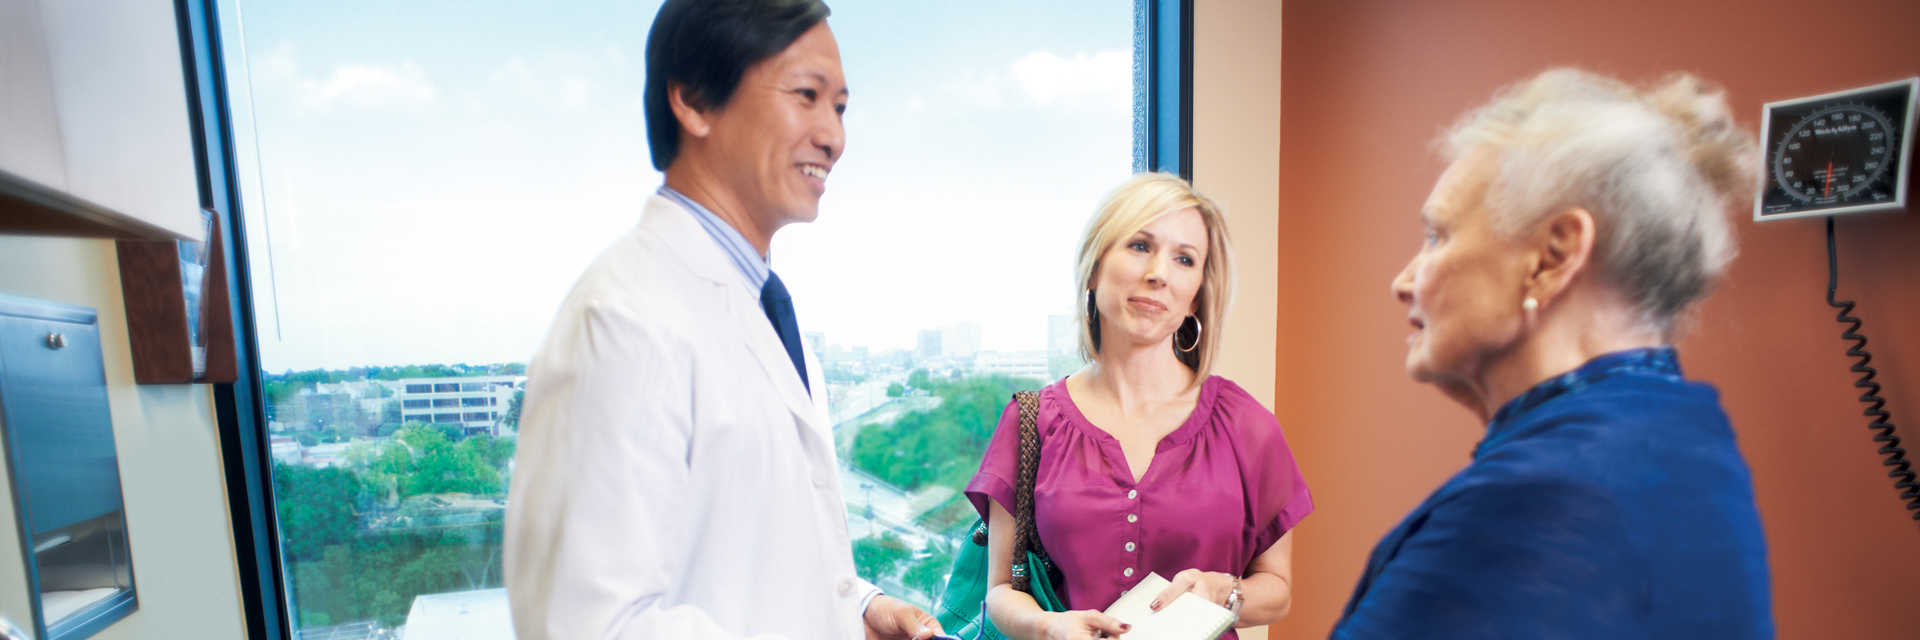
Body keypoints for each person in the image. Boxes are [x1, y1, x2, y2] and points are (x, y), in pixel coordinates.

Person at [502, 1, 940, 638]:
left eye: (840, 107)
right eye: (806, 95)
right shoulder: (623, 320)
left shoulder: (761, 308)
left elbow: (744, 556)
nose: (834, 138)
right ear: (695, 97)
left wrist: (856, 609)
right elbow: (591, 625)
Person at [1332, 68, 1771, 638]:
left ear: (1551, 257)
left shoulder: (1537, 504)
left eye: (1438, 236)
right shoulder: (1688, 438)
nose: (1404, 280)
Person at [970, 173, 1314, 640]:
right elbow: (1000, 591)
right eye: (1139, 246)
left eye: (1184, 259)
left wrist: (1222, 591)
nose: (1160, 273)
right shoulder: (1031, 422)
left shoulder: (1248, 426)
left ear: (1197, 296)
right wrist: (1049, 626)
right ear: (1094, 266)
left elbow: (1278, 590)